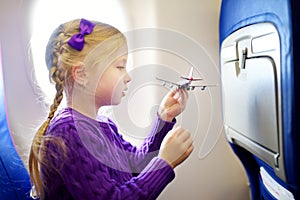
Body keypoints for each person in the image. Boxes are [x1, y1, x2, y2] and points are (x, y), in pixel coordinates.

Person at [29, 18, 194, 200]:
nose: (128, 77)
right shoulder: (68, 133)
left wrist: (163, 118)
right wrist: (164, 163)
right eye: (120, 67)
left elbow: (135, 166)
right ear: (82, 75)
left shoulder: (103, 124)